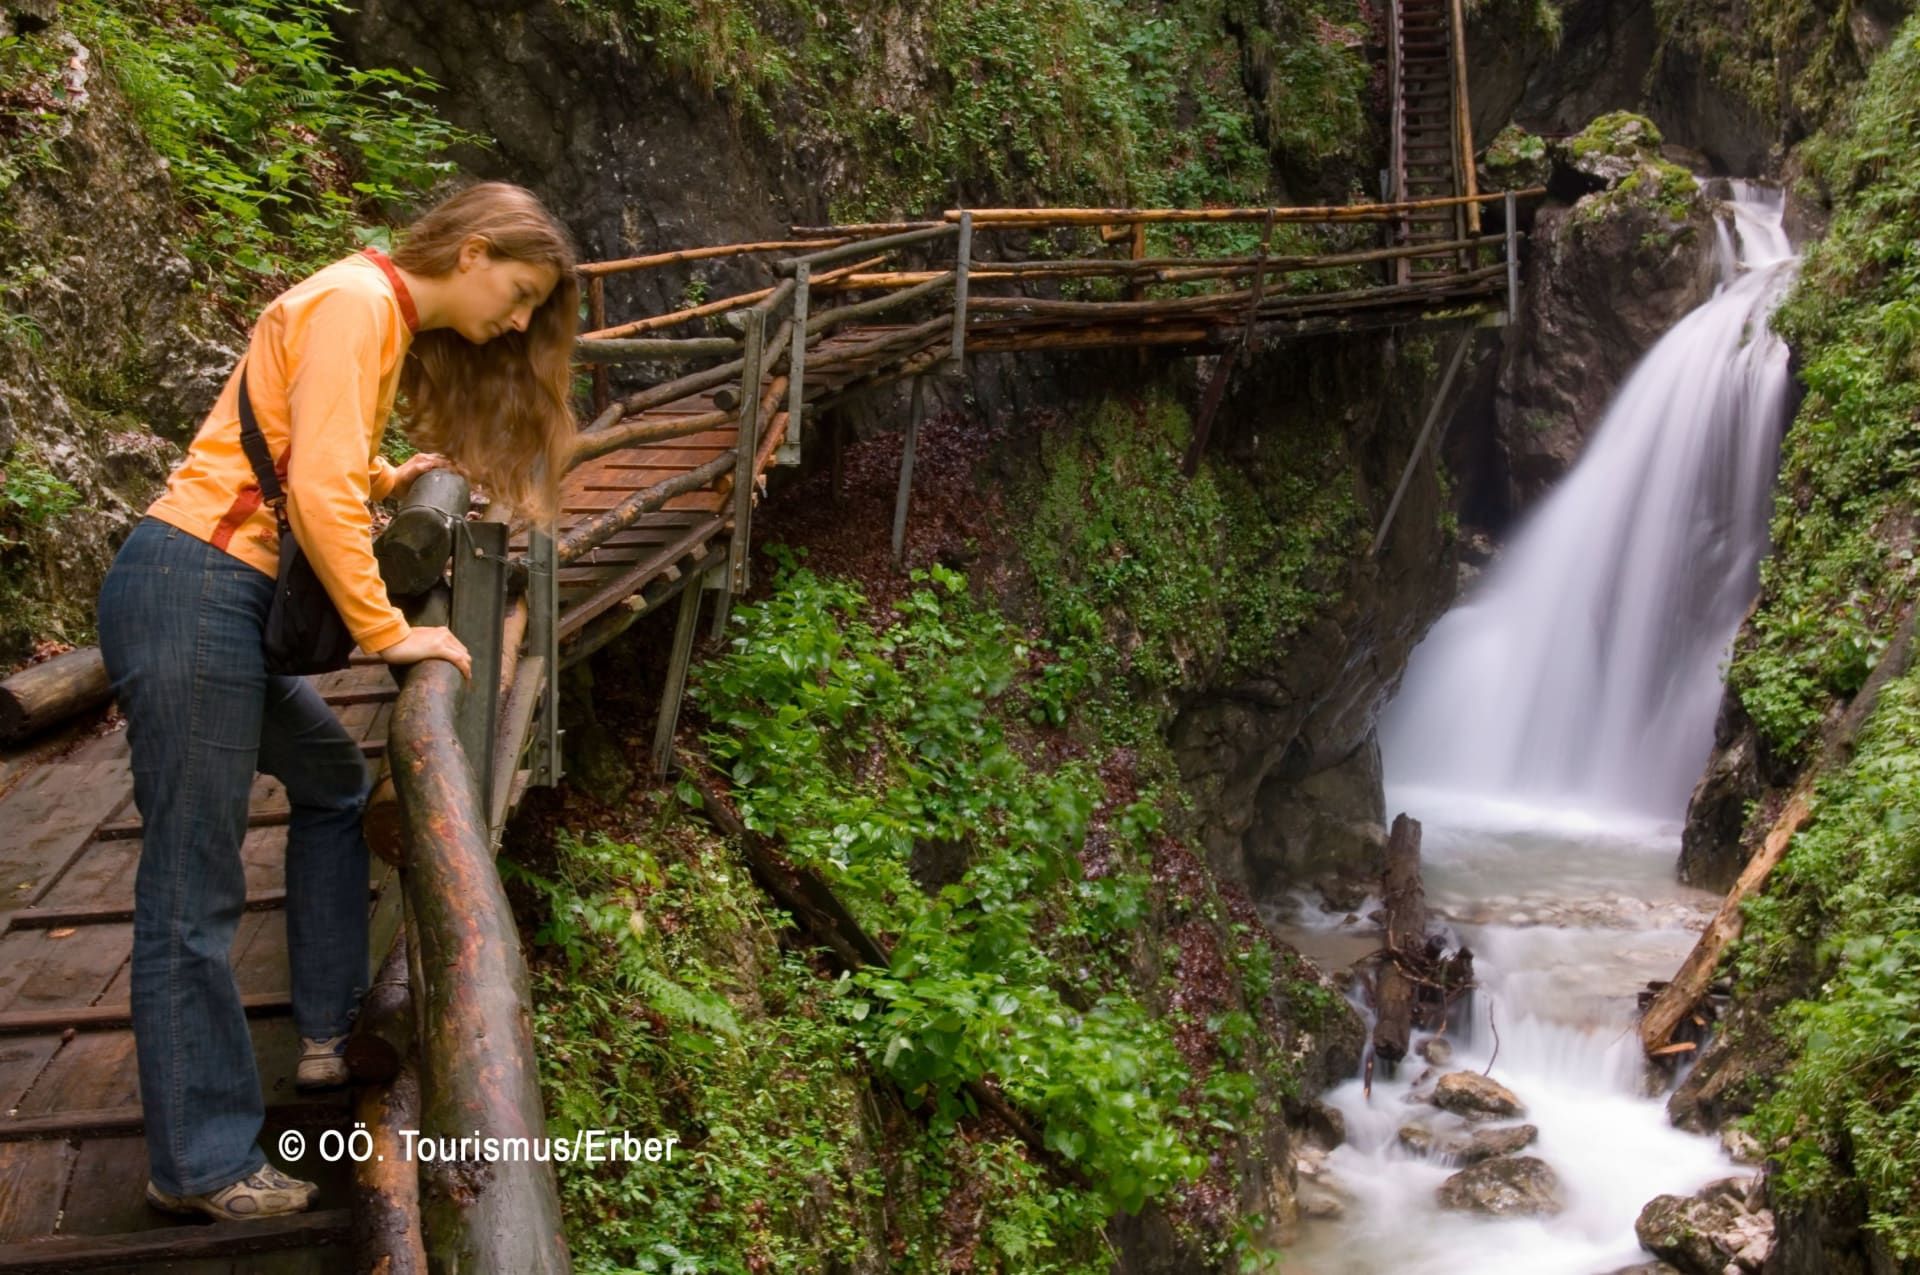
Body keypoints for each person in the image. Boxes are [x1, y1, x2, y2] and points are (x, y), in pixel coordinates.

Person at [95, 181, 579, 1222]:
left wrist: (385, 475)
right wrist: (387, 629)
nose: (519, 321)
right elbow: (310, 490)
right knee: (191, 888)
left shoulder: (372, 309)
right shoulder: (358, 303)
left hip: (207, 590)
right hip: (196, 586)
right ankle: (200, 1162)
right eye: (520, 293)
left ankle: (324, 1031)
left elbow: (304, 446)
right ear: (474, 251)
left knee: (328, 780)